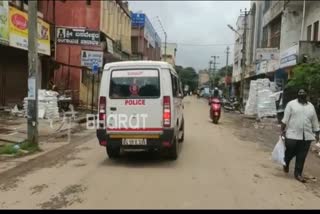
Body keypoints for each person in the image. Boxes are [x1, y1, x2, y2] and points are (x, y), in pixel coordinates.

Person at [281, 88, 320, 183]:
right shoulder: (291, 104)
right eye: (300, 94)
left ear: (306, 95)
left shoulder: (311, 106)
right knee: (290, 151)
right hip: (292, 134)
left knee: (302, 155)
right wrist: (282, 130)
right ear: (297, 95)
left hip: (306, 136)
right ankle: (286, 162)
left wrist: (317, 133)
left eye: (303, 94)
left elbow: (314, 121)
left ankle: (298, 174)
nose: (302, 96)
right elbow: (285, 119)